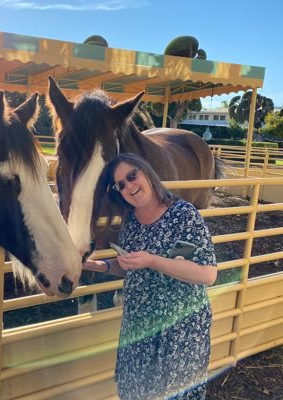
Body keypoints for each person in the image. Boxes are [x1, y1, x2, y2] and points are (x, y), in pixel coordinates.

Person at [84, 153, 217, 400]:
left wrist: (152, 260)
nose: (129, 186)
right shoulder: (131, 222)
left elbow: (207, 274)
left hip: (179, 332)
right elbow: (129, 266)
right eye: (120, 184)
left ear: (147, 172)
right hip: (138, 329)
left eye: (132, 176)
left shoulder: (182, 215)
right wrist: (99, 266)